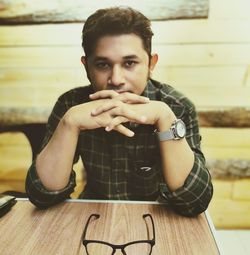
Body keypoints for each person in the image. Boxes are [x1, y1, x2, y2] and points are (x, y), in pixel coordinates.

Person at [25, 7, 213, 216]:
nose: (116, 79)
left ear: (151, 64)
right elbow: (41, 195)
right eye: (103, 64)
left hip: (158, 217)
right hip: (93, 213)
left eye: (130, 63)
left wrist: (165, 118)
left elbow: (195, 201)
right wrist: (70, 123)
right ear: (87, 67)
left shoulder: (177, 105)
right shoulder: (71, 103)